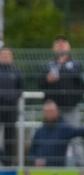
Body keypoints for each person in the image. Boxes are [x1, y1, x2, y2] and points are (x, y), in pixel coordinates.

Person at [38, 35, 84, 165]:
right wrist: (47, 79)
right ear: (53, 48)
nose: (60, 45)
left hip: (71, 108)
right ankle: (51, 165)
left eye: (63, 42)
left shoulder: (75, 64)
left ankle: (81, 167)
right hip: (53, 111)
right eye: (57, 43)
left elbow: (80, 85)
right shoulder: (48, 66)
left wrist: (74, 100)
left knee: (76, 139)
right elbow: (40, 84)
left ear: (69, 47)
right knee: (52, 139)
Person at [27, 100, 84, 167]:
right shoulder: (39, 131)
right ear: (43, 113)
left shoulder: (64, 129)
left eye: (51, 111)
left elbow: (79, 131)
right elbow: (31, 153)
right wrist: (35, 160)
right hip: (41, 171)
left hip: (58, 169)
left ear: (57, 112)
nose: (49, 114)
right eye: (47, 111)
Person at [0, 46, 22, 166]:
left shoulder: (16, 71)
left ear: (11, 57)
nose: (5, 57)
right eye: (2, 55)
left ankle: (8, 164)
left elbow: (21, 89)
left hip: (11, 108)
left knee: (10, 138)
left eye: (7, 55)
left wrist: (12, 96)